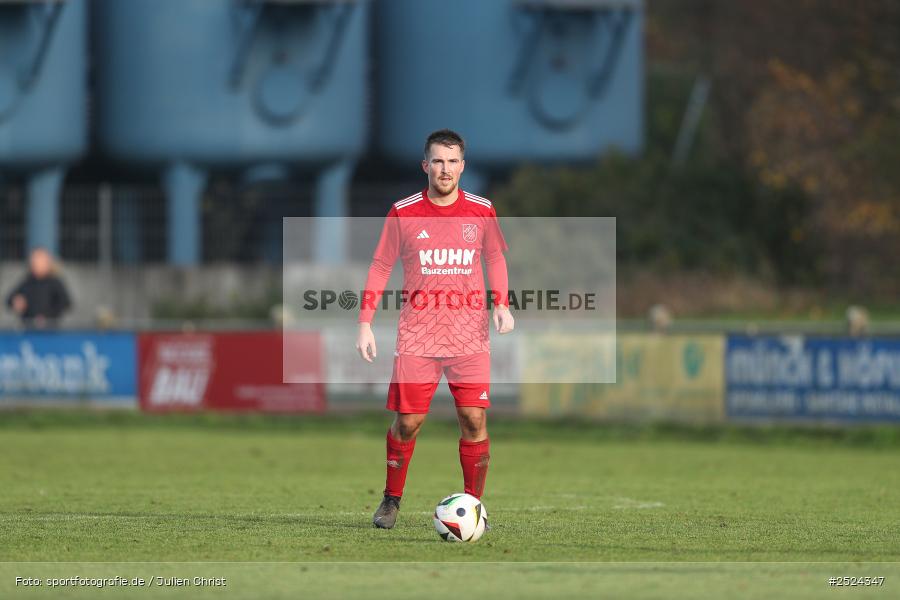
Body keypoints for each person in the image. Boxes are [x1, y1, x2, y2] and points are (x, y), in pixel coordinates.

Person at [357, 129, 514, 529]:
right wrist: (365, 323)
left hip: (469, 336)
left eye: (452, 161)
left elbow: (495, 258)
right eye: (438, 161)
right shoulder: (403, 211)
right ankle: (391, 500)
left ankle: (474, 507)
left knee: (474, 421)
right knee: (408, 423)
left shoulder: (481, 209)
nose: (445, 169)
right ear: (425, 165)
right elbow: (379, 267)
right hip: (417, 336)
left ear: (463, 165)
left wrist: (502, 304)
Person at [5, 247, 72, 328]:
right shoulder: (27, 282)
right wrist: (15, 302)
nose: (35, 263)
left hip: (51, 329)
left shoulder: (55, 282)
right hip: (29, 328)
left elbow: (66, 303)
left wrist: (47, 317)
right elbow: (9, 300)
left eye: (39, 260)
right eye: (33, 260)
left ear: (47, 263)